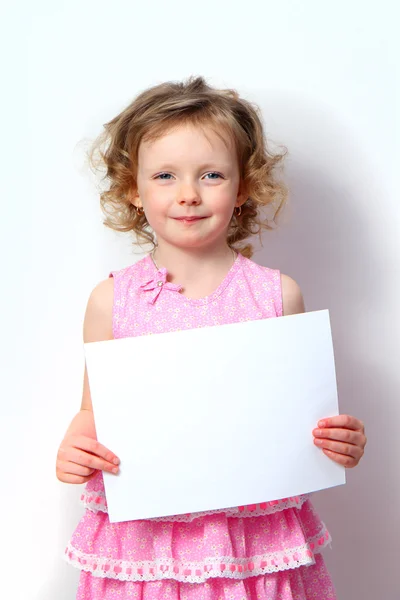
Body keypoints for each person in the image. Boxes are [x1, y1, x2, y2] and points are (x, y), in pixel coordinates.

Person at [56, 76, 367, 600]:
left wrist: (340, 441)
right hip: (146, 542)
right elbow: (93, 413)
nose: (188, 194)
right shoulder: (111, 302)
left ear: (243, 186)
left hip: (251, 539)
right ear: (134, 189)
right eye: (164, 175)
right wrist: (74, 448)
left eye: (212, 174)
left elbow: (299, 421)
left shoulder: (276, 297)